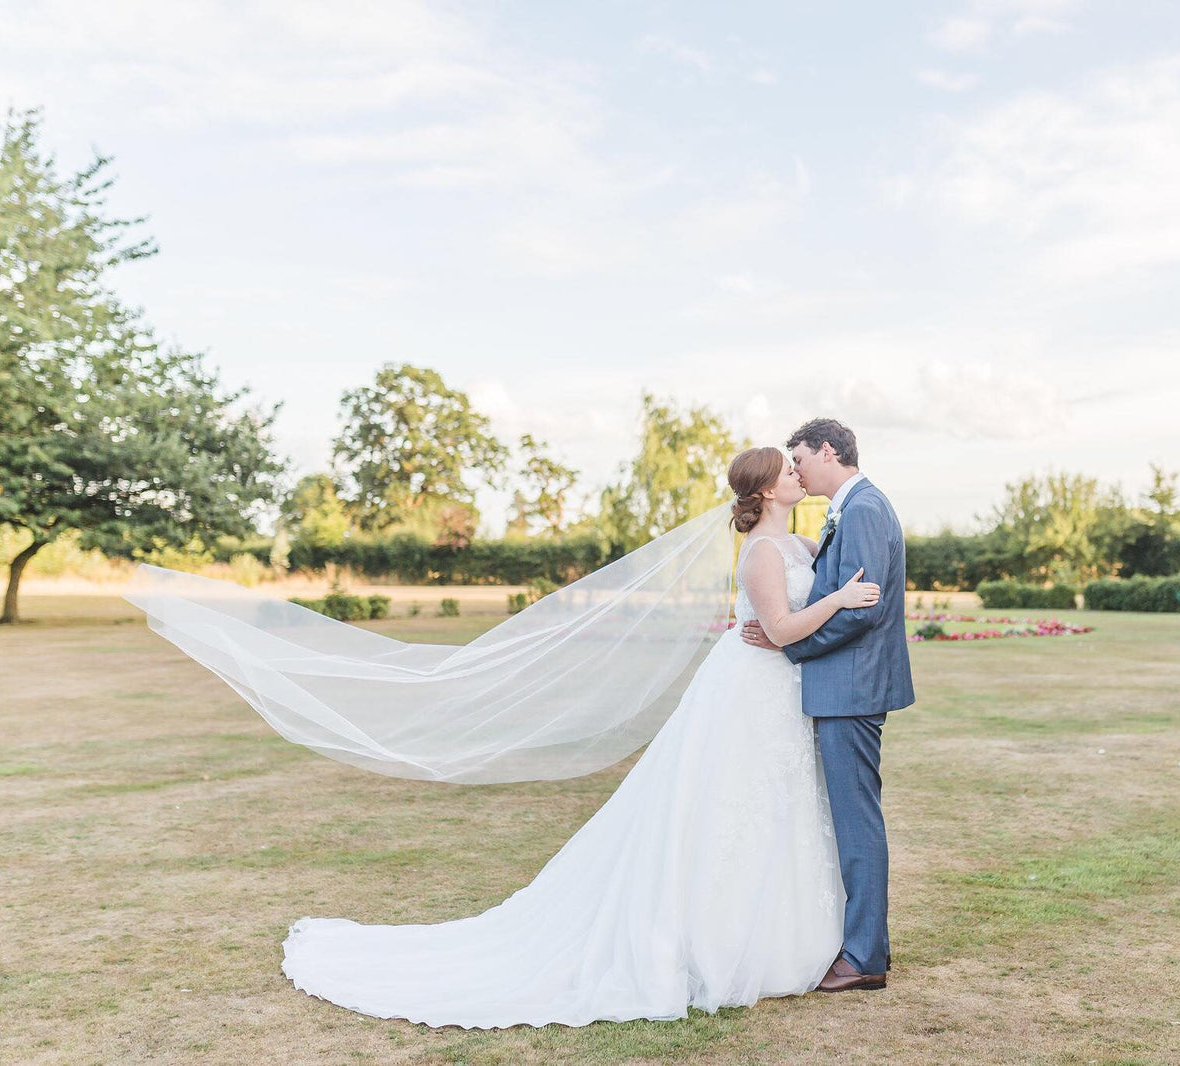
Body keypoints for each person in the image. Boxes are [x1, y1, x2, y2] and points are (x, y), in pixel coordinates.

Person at [279, 445, 882, 1028]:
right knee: (734, 806)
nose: (797, 474)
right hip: (752, 690)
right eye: (787, 469)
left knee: (780, 808)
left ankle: (784, 933)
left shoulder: (798, 542)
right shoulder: (761, 555)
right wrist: (837, 600)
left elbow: (802, 588)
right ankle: (719, 941)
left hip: (780, 695)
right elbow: (777, 628)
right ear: (765, 489)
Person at [739, 418, 915, 993]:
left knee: (856, 820)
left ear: (828, 451)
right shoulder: (846, 510)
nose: (797, 470)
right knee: (845, 817)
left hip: (851, 689)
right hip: (845, 686)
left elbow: (861, 609)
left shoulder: (861, 509)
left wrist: (789, 643)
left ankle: (865, 956)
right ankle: (855, 944)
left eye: (801, 459)